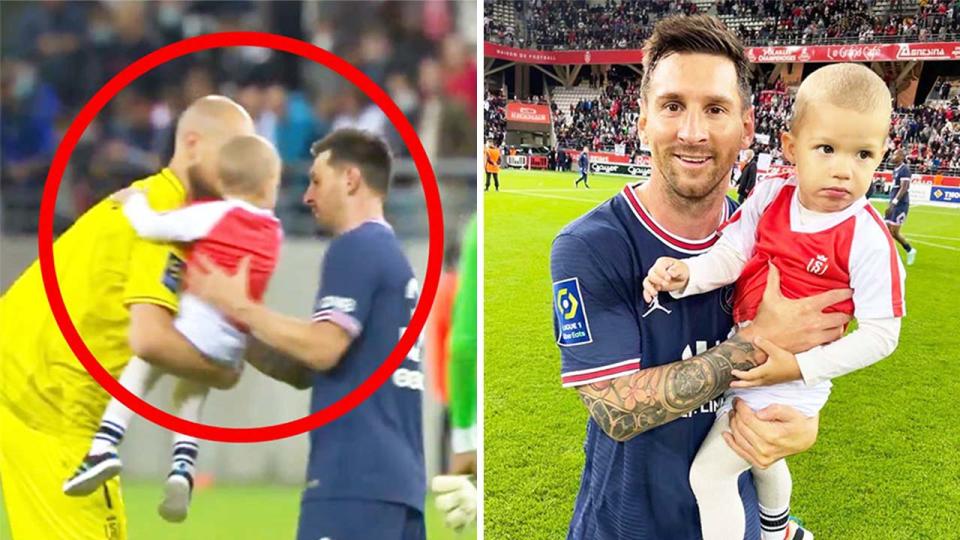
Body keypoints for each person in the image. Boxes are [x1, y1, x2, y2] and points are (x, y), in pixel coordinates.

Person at [550, 16, 851, 540]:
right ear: (642, 121)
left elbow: (799, 369)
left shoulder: (768, 241)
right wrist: (755, 345)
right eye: (672, 106)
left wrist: (799, 423)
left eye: (715, 109)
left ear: (747, 127)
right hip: (626, 528)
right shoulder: (591, 245)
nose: (692, 132)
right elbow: (617, 409)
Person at [644, 63, 905, 540]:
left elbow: (883, 336)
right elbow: (732, 253)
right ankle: (780, 532)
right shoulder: (770, 198)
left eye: (863, 154)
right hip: (752, 354)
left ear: (882, 155)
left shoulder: (867, 237)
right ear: (791, 147)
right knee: (763, 460)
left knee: (711, 475)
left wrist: (799, 370)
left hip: (789, 378)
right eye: (826, 149)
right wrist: (688, 274)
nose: (844, 169)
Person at [0, 95, 253, 540]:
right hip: (55, 411)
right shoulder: (169, 222)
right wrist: (222, 369)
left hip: (21, 385)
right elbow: (152, 339)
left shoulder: (142, 200)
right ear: (192, 144)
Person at [185, 128, 426, 540]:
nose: (307, 196)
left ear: (349, 179)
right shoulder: (392, 257)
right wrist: (236, 329)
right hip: (396, 488)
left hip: (352, 483)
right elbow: (307, 370)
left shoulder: (357, 247)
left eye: (316, 180)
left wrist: (240, 304)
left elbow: (322, 349)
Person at [62, 135, 284, 524]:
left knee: (142, 365)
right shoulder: (275, 230)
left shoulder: (215, 214)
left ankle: (104, 444)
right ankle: (182, 468)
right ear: (268, 184)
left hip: (194, 325)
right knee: (190, 391)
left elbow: (153, 226)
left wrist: (135, 201)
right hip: (230, 345)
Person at [432, 215, 478, 533]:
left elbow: (461, 345)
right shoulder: (451, 287)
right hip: (459, 395)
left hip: (460, 398)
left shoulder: (447, 288)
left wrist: (463, 436)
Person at [884, 150, 917, 265]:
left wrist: (894, 202)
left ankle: (910, 250)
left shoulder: (904, 169)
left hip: (900, 204)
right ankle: (889, 254)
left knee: (894, 232)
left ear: (901, 157)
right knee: (886, 230)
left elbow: (904, 187)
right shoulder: (896, 169)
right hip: (893, 203)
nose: (893, 156)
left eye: (895, 154)